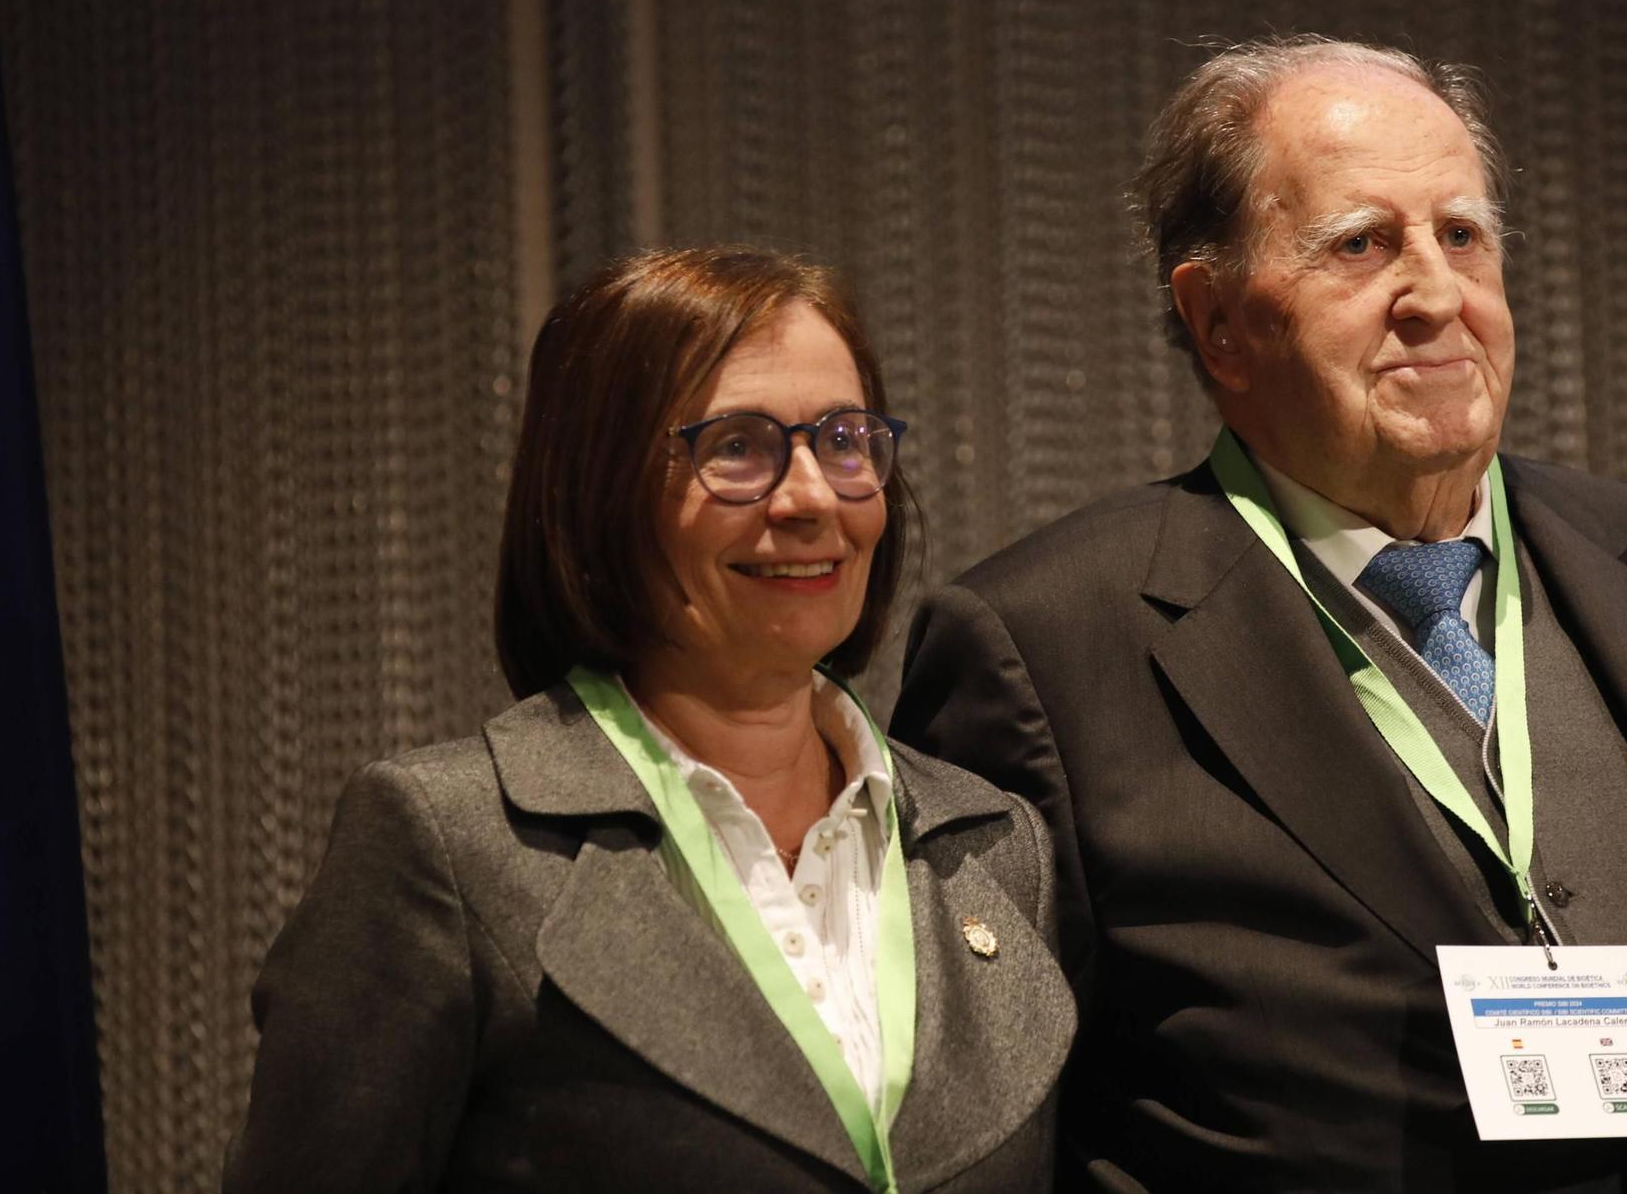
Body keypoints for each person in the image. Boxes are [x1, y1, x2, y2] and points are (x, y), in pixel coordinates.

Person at [892, 37, 1627, 1191]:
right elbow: (996, 1128)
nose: (1436, 295)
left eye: (1462, 236)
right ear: (1218, 319)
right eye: (1361, 244)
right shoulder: (1037, 640)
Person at [226, 247, 1074, 1192]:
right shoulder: (448, 846)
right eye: (739, 446)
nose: (808, 497)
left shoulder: (997, 847)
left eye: (843, 438)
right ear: (600, 493)